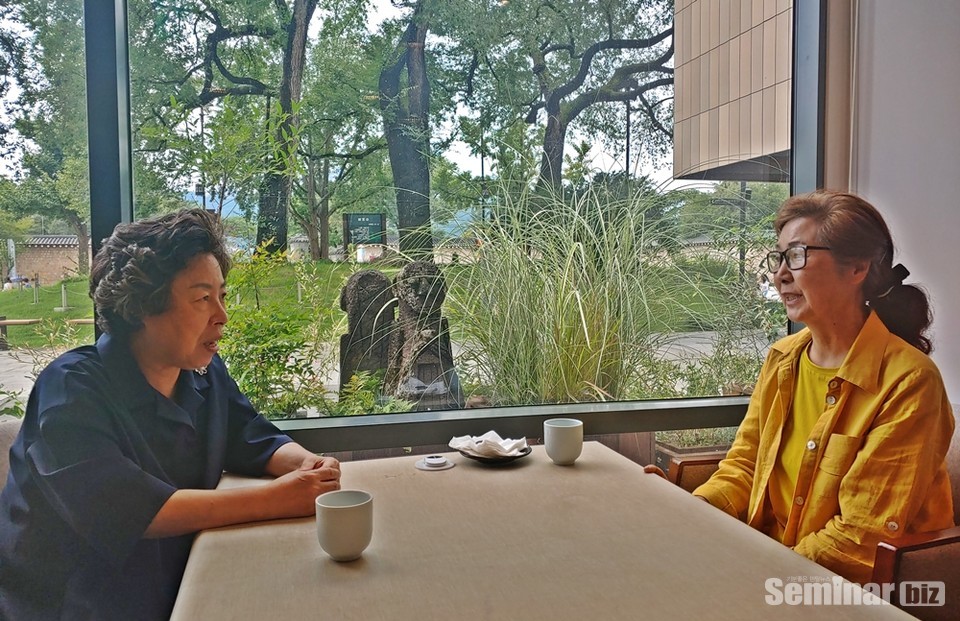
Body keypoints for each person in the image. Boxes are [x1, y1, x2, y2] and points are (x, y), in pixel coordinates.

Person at [0, 209, 342, 620]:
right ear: (142, 304)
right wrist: (279, 498)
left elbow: (246, 433)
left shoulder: (201, 371)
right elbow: (129, 510)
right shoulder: (70, 389)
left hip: (181, 587)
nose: (222, 315)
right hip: (75, 605)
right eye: (202, 298)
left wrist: (308, 464)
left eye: (222, 295)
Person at [648, 190, 955, 584]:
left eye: (797, 256)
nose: (779, 275)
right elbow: (744, 466)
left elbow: (860, 537)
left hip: (847, 592)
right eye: (779, 258)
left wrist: (757, 576)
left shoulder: (909, 382)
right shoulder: (783, 359)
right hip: (769, 566)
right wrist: (690, 512)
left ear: (857, 268)